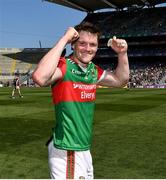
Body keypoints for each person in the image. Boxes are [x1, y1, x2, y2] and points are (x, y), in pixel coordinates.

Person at [32, 22, 129, 179]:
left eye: (93, 44)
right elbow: (39, 77)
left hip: (83, 149)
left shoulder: (92, 70)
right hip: (68, 150)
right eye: (82, 43)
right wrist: (64, 38)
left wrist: (122, 53)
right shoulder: (65, 66)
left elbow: (120, 80)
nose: (88, 48)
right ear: (73, 45)